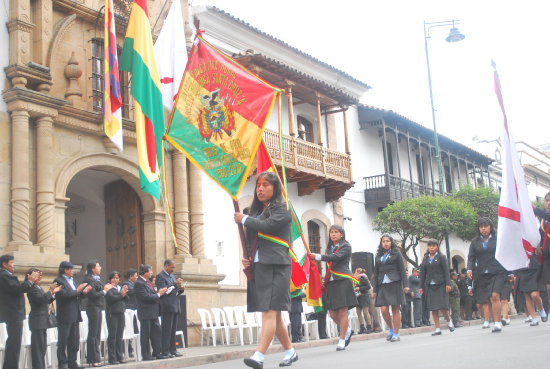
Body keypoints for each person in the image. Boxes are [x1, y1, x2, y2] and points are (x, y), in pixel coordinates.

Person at [234, 171, 297, 368]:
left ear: (275, 188)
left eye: (265, 185)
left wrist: (243, 219)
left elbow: (267, 227)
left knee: (269, 312)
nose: (260, 189)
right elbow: (253, 238)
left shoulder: (282, 209)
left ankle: (259, 356)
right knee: (274, 314)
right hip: (260, 266)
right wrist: (249, 259)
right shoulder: (256, 212)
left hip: (277, 266)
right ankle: (290, 351)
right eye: (258, 185)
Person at [309, 224, 358, 351]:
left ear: (341, 234)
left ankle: (342, 340)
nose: (333, 234)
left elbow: (336, 258)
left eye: (336, 232)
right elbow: (329, 263)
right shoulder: (329, 248)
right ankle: (346, 330)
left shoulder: (345, 246)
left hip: (342, 279)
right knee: (331, 312)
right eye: (331, 232)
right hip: (331, 281)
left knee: (342, 310)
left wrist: (318, 256)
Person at [467, 217, 507, 332]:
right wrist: (469, 269)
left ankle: (498, 322)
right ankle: (493, 320)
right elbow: (471, 257)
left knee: (495, 296)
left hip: (497, 271)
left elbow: (504, 254)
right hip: (482, 273)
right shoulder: (475, 242)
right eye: (481, 227)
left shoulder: (497, 239)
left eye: (485, 226)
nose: (483, 229)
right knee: (488, 299)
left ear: (490, 227)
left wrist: (509, 271)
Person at [0, 254, 39, 369]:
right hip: (13, 313)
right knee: (14, 343)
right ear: (4, 264)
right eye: (12, 262)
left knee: (15, 343)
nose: (14, 265)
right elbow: (16, 289)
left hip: (15, 312)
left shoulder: (8, 275)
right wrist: (30, 281)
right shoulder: (4, 276)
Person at [372, 234, 410, 342]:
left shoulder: (396, 253)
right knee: (383, 309)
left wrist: (406, 285)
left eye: (388, 241)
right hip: (382, 285)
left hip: (395, 283)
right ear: (381, 243)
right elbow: (376, 273)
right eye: (383, 241)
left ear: (391, 242)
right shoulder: (378, 255)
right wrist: (375, 289)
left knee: (395, 309)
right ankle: (391, 328)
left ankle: (396, 333)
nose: (386, 243)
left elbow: (402, 270)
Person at [54, 261, 92, 369]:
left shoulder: (72, 281)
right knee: (63, 340)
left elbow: (76, 295)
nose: (73, 271)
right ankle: (62, 363)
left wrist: (83, 292)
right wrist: (78, 290)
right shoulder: (58, 281)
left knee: (74, 340)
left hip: (75, 314)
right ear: (65, 270)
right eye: (71, 269)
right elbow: (64, 296)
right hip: (65, 315)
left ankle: (73, 362)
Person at [27, 268, 62, 369]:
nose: (40, 277)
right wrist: (50, 290)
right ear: (30, 276)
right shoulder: (31, 288)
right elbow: (40, 300)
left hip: (42, 320)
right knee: (38, 347)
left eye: (40, 275)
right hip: (37, 320)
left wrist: (53, 293)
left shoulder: (38, 287)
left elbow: (46, 300)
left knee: (42, 346)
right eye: (37, 275)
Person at [419, 239, 454, 336]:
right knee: (433, 308)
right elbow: (422, 273)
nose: (431, 248)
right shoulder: (425, 258)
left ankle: (448, 320)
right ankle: (437, 328)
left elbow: (446, 271)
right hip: (430, 285)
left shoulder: (441, 257)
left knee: (443, 307)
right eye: (430, 246)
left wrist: (448, 284)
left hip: (441, 284)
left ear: (437, 247)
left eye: (433, 246)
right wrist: (421, 286)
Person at [135, 263, 167, 361]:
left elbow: (152, 294)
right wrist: (158, 294)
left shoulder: (148, 282)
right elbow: (145, 297)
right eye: (150, 271)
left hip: (153, 312)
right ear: (145, 272)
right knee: (146, 335)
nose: (152, 273)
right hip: (145, 313)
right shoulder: (139, 283)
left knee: (156, 333)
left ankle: (157, 352)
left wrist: (160, 293)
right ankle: (146, 355)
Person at [83, 260, 112, 367]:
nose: (100, 268)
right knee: (93, 332)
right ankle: (92, 358)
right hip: (92, 307)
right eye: (98, 266)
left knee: (97, 333)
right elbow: (92, 295)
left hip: (98, 307)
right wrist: (104, 291)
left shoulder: (96, 279)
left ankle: (96, 357)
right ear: (92, 269)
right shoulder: (88, 279)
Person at [156, 259, 185, 358]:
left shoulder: (172, 276)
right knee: (166, 330)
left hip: (175, 305)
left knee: (173, 330)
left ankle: (173, 350)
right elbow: (164, 291)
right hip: (167, 305)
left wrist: (180, 289)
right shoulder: (160, 276)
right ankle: (165, 350)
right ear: (166, 266)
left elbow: (174, 291)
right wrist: (174, 284)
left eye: (174, 267)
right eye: (171, 267)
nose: (173, 269)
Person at [516, 252, 546, 326]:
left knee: (534, 295)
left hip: (535, 269)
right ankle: (534, 319)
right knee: (527, 296)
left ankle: (541, 309)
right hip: (522, 270)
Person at [105, 271, 128, 364]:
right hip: (112, 313)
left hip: (121, 312)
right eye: (113, 278)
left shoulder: (120, 287)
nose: (115, 280)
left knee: (119, 335)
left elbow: (127, 299)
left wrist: (125, 292)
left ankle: (120, 356)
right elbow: (111, 299)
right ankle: (112, 357)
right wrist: (121, 294)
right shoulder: (108, 287)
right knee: (113, 336)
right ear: (110, 279)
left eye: (117, 278)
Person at [533, 191, 550, 316]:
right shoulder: (542, 219)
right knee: (548, 286)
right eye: (546, 200)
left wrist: (535, 209)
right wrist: (538, 246)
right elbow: (539, 234)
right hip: (547, 255)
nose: (548, 203)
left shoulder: (544, 215)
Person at [123, 268, 138, 357]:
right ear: (131, 276)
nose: (137, 278)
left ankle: (132, 349)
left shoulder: (133, 284)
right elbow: (134, 291)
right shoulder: (127, 284)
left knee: (134, 329)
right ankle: (128, 350)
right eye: (136, 276)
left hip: (134, 310)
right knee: (129, 330)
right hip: (129, 310)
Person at [353, 268, 373, 334]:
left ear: (358, 272)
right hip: (358, 297)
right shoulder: (355, 279)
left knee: (365, 312)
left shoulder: (363, 277)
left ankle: (369, 327)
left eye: (355, 272)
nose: (354, 273)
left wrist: (360, 288)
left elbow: (368, 286)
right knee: (358, 311)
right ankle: (362, 327)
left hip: (364, 296)